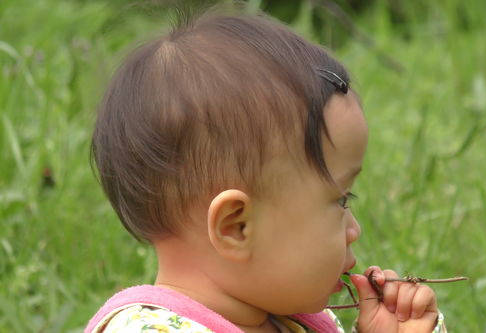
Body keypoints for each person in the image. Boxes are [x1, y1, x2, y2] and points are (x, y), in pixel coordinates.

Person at [85, 6, 445, 333]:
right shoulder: (145, 330)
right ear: (236, 226)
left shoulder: (297, 322)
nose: (354, 230)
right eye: (340, 199)